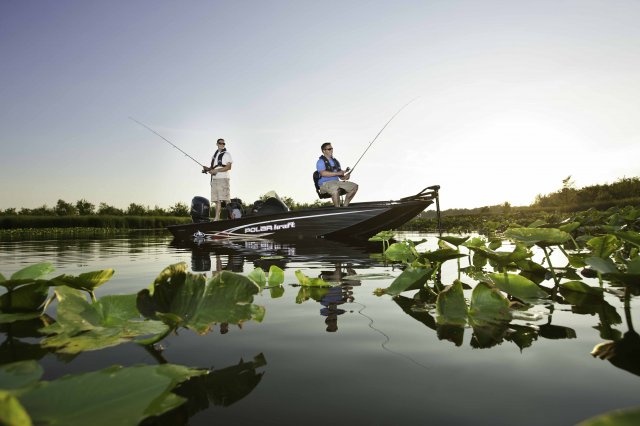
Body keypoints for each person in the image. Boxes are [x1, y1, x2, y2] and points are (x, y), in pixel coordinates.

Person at [316, 142, 358, 207]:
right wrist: (337, 173)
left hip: (336, 182)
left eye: (332, 148)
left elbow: (341, 178)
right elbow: (323, 173)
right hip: (325, 184)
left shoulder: (336, 162)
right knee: (335, 189)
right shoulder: (320, 161)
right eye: (329, 149)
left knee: (354, 187)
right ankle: (337, 209)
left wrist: (346, 177)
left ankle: (345, 206)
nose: (331, 150)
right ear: (324, 151)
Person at [203, 138, 233, 221]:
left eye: (224, 144)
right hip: (215, 180)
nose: (222, 145)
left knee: (226, 200)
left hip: (223, 179)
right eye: (220, 143)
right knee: (217, 200)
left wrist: (217, 170)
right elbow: (213, 169)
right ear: (217, 144)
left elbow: (228, 167)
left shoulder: (227, 154)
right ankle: (216, 219)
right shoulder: (214, 155)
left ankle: (232, 218)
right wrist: (208, 169)